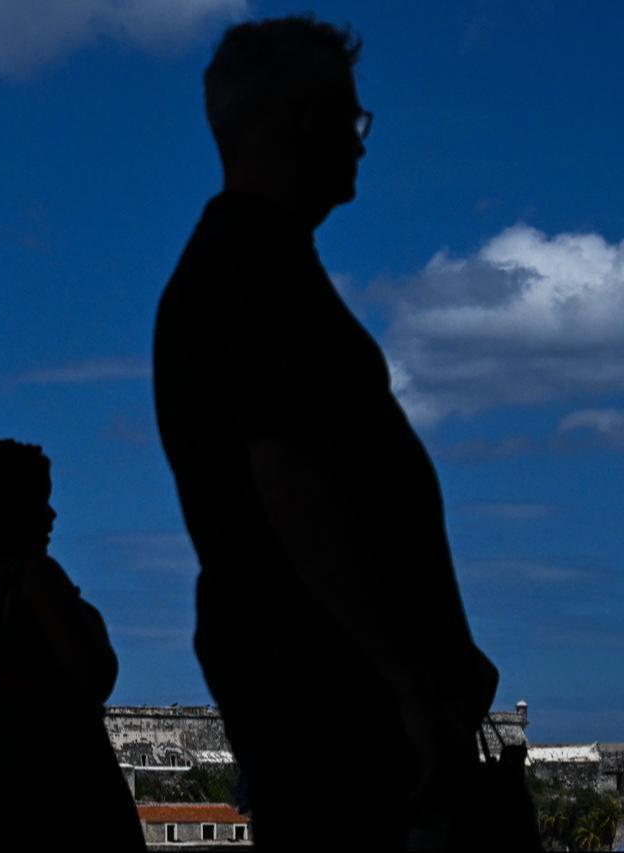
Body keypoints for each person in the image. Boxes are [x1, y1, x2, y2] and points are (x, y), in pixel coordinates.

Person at [152, 16, 501, 850]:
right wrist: (410, 682)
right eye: (348, 118)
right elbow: (294, 484)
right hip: (328, 691)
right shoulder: (254, 272)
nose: (360, 143)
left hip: (318, 681)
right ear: (293, 121)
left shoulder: (248, 266)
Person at [0, 439, 145, 852]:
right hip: (62, 798)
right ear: (9, 511)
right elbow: (98, 672)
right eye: (39, 502)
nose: (52, 516)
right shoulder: (35, 581)